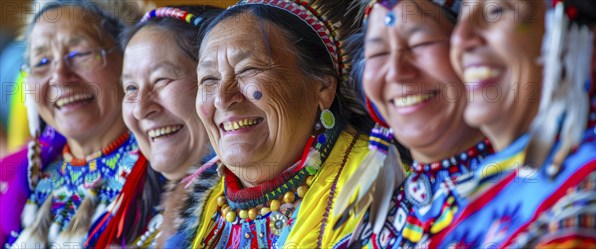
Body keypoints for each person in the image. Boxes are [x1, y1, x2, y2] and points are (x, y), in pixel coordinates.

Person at [186, 0, 378, 247]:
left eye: (249, 69)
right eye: (209, 79)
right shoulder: (196, 206)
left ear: (323, 88)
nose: (223, 99)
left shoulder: (377, 195)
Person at [430, 0, 596, 247]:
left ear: (590, 47)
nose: (460, 39)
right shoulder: (493, 182)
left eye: (496, 10)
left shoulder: (586, 196)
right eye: (462, 15)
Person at [2, 1, 162, 248]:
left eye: (80, 53)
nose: (59, 76)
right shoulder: (17, 177)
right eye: (42, 62)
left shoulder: (168, 168)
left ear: (129, 59)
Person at [343, 0, 494, 247]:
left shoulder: (531, 188)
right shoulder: (378, 221)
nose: (396, 71)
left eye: (420, 44)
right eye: (379, 53)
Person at [119, 6, 223, 248]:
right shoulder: (142, 213)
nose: (141, 109)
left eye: (162, 79)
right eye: (131, 88)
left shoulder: (248, 215)